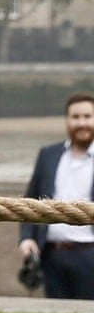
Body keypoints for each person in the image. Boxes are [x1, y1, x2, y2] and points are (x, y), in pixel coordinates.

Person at [17, 92, 94, 299]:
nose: (81, 123)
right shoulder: (48, 155)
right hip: (52, 255)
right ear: (67, 120)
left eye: (87, 117)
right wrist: (26, 238)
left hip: (90, 254)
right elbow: (30, 202)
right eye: (75, 117)